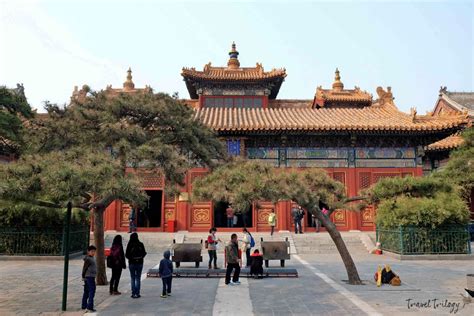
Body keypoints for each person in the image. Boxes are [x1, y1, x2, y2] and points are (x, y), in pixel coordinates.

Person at [125, 233, 147, 298]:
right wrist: (140, 258)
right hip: (140, 263)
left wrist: (131, 258)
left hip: (131, 263)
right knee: (138, 278)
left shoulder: (130, 244)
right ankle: (137, 293)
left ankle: (133, 293)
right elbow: (144, 253)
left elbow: (126, 254)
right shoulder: (141, 244)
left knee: (132, 278)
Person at [81, 245, 97, 312]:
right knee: (92, 291)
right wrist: (83, 277)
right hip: (89, 277)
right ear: (88, 251)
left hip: (90, 276)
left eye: (94, 251)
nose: (93, 253)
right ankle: (90, 306)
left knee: (87, 291)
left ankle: (84, 305)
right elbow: (84, 268)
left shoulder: (92, 258)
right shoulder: (88, 259)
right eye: (92, 251)